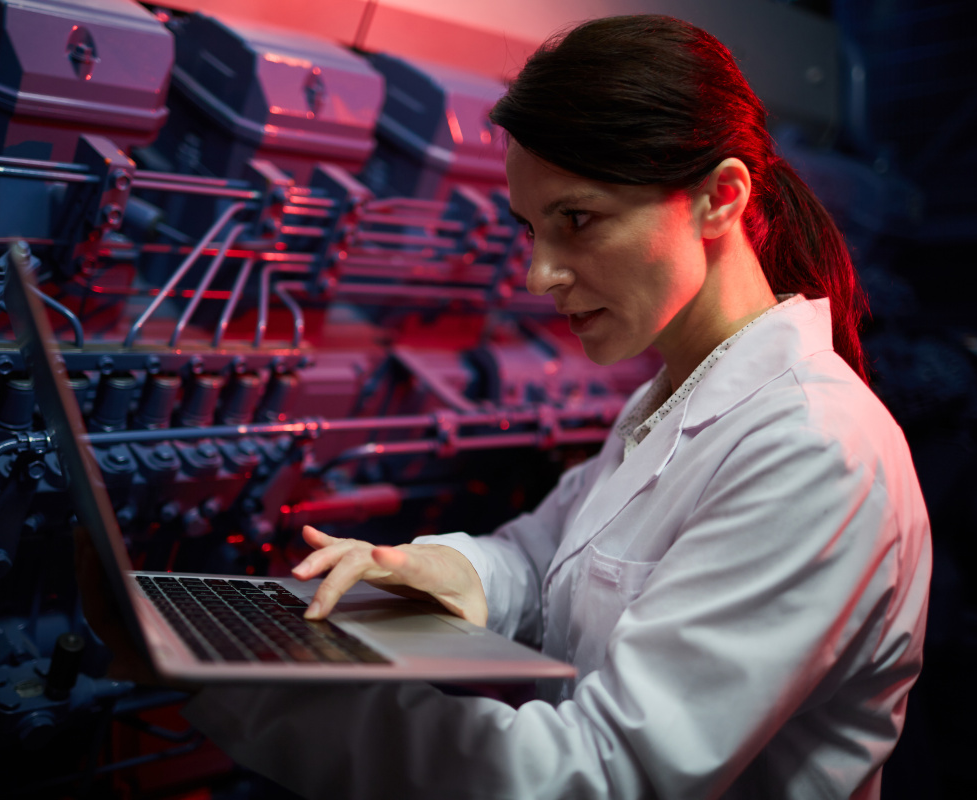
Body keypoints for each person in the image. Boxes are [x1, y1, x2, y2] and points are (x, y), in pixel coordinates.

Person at [80, 14, 931, 799]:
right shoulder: (674, 394)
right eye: (531, 228)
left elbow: (593, 777)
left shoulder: (814, 453)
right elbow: (551, 552)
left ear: (722, 199)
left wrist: (240, 688)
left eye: (579, 220)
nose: (540, 276)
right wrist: (456, 570)